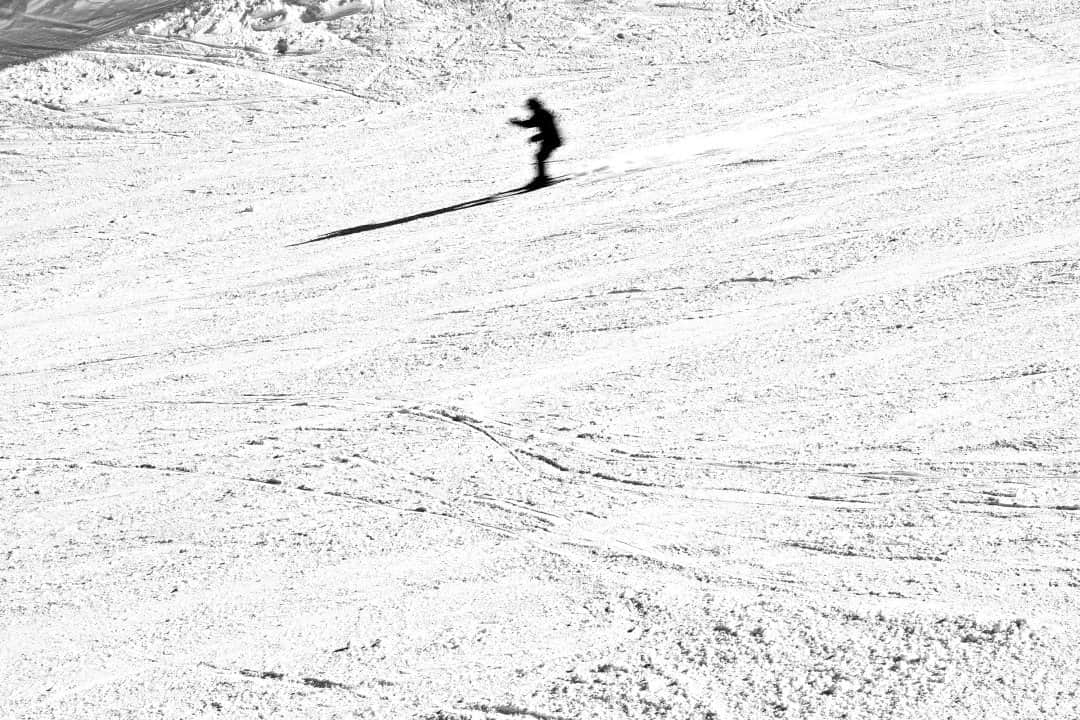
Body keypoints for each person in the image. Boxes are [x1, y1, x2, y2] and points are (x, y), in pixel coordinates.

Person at [509, 97, 562, 189]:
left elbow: (532, 125)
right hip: (550, 139)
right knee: (540, 157)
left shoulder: (542, 114)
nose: (530, 109)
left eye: (530, 107)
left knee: (540, 157)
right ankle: (542, 177)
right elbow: (531, 124)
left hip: (551, 139)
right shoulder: (541, 113)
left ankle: (542, 178)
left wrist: (536, 137)